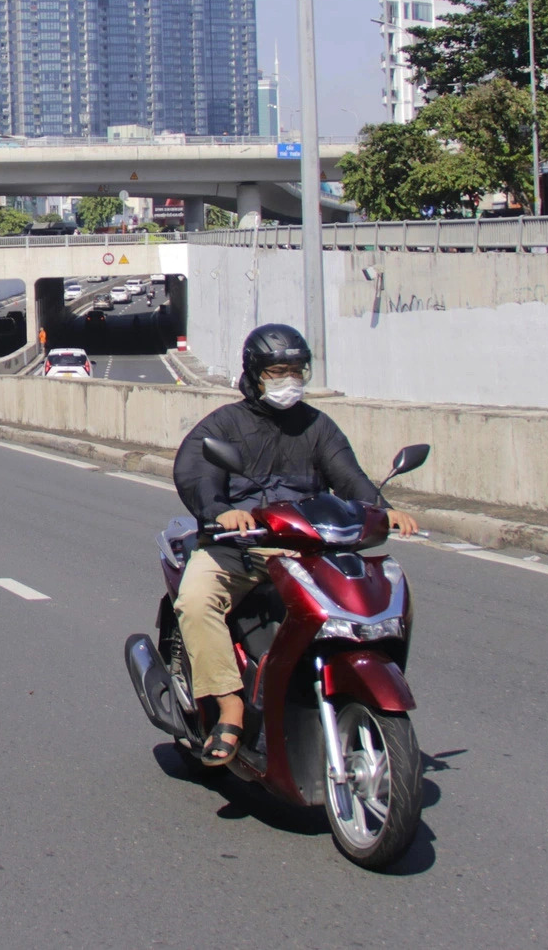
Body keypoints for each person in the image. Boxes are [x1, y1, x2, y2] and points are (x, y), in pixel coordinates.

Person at [169, 323, 419, 765]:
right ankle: (229, 705)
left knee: (385, 588)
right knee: (195, 599)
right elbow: (197, 473)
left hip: (308, 550)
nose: (288, 381)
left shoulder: (318, 427)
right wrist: (220, 510)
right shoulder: (226, 424)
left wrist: (382, 509)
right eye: (277, 371)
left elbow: (350, 477)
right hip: (242, 547)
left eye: (296, 370)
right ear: (254, 373)